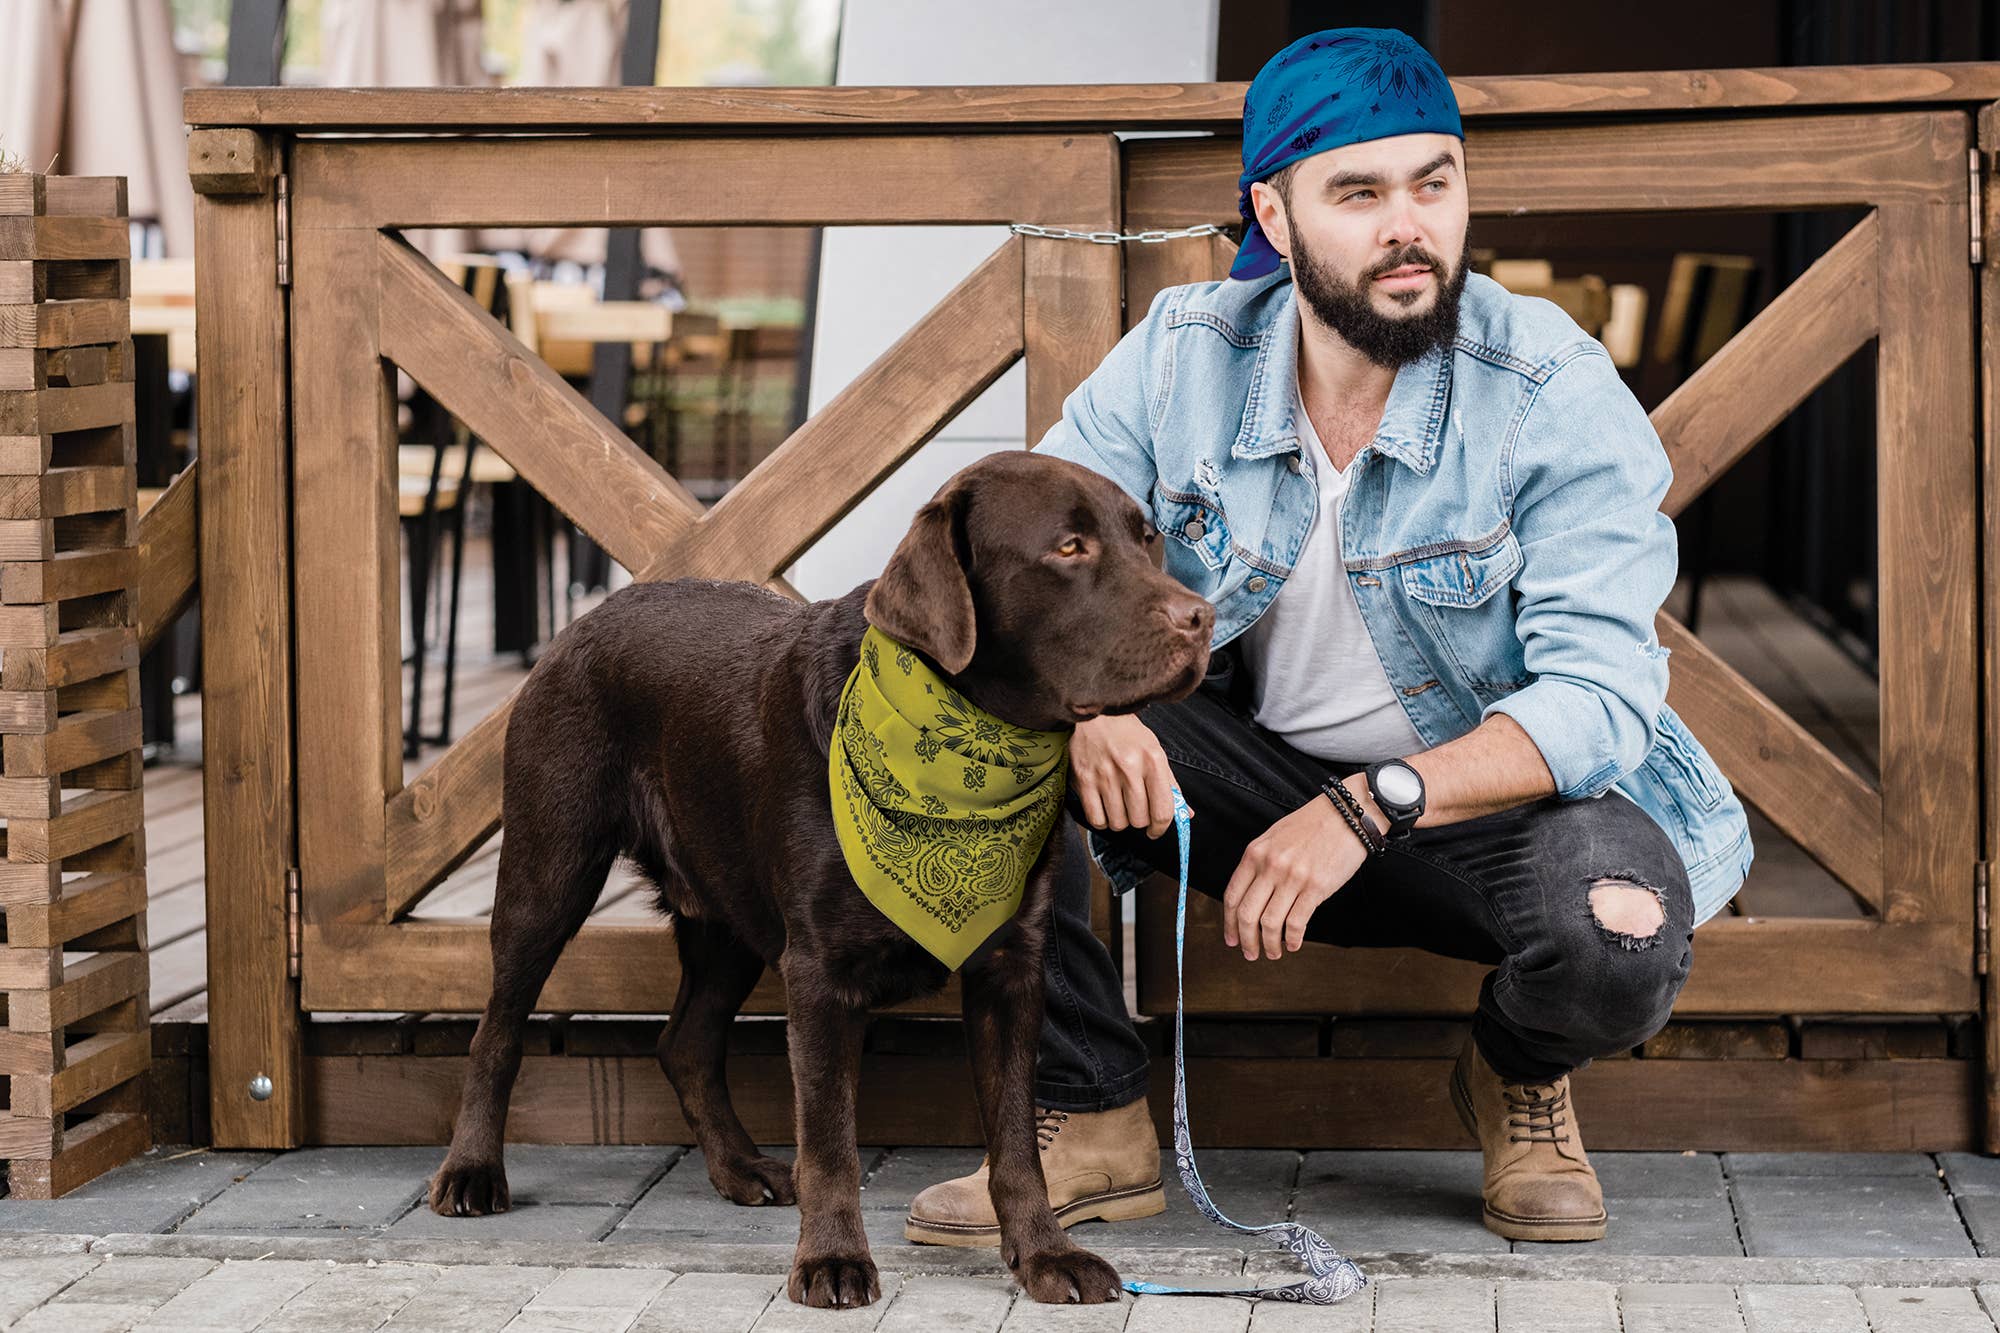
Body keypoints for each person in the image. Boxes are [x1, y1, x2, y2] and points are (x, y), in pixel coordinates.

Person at [904, 27, 1754, 1247]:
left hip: (1492, 810)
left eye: (1433, 182)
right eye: (1357, 194)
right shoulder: (1182, 355)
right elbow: (1027, 565)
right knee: (974, 730)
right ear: (1274, 211)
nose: (1406, 226)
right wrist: (1086, 712)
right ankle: (1091, 1110)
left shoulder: (1550, 390)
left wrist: (1369, 806)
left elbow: (1601, 700)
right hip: (1242, 781)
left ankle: (1514, 1073)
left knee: (1617, 933)